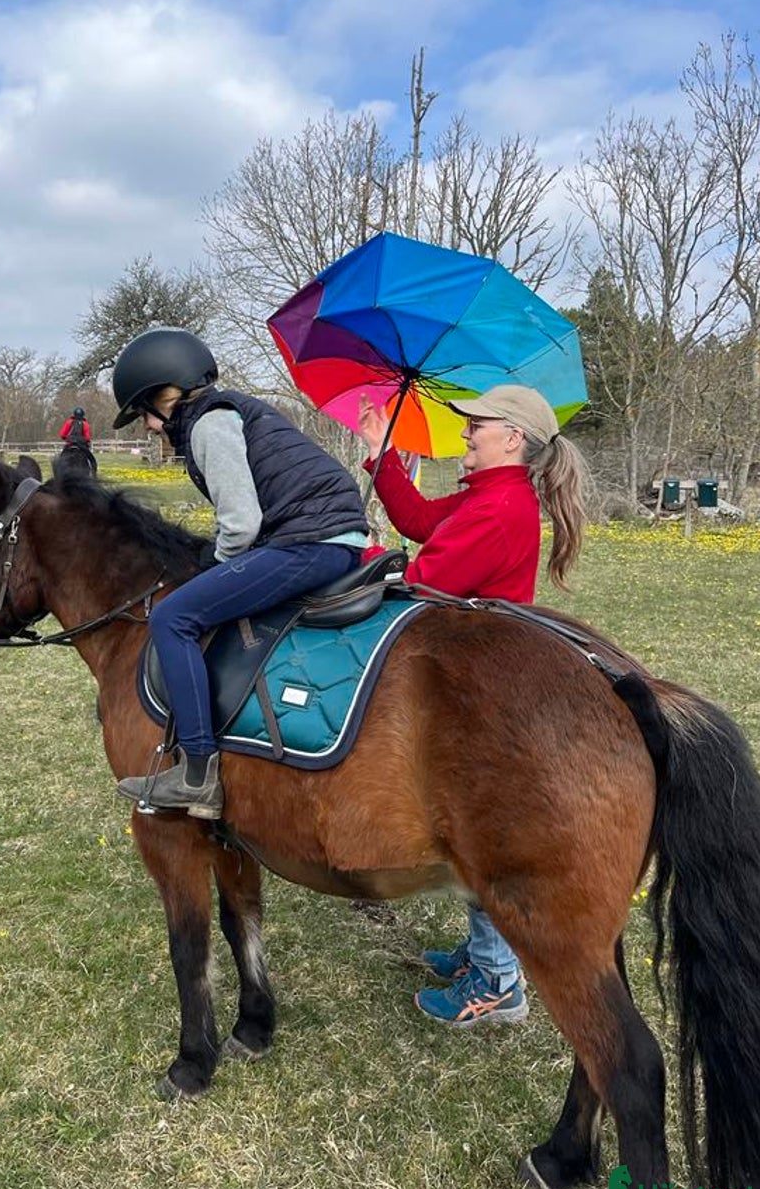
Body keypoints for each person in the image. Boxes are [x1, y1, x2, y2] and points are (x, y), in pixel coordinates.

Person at [359, 383, 589, 1030]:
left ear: (512, 439)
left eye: (476, 427)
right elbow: (420, 525)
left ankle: (498, 982)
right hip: (469, 675)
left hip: (482, 691)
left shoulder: (503, 509)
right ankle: (484, 954)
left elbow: (424, 583)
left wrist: (357, 553)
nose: (464, 434)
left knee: (481, 835)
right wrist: (381, 454)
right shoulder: (488, 496)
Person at [112, 328, 370, 819]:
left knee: (173, 617)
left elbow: (241, 524)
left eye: (146, 411)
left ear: (169, 394)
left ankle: (197, 774)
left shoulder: (210, 422)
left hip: (307, 544)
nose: (147, 426)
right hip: (326, 538)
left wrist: (213, 565)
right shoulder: (234, 411)